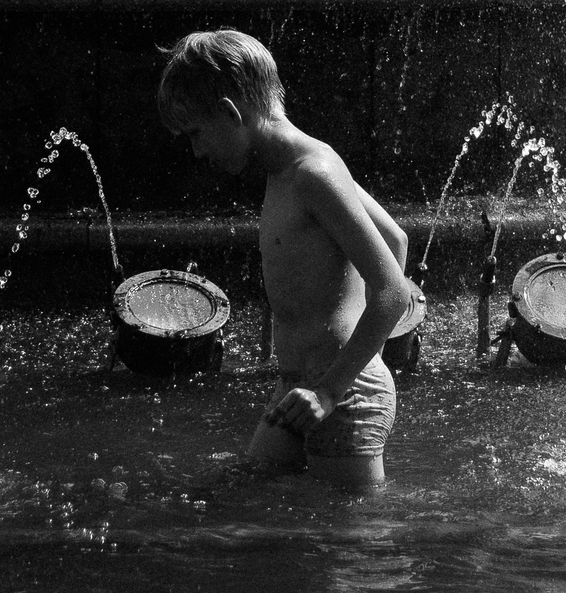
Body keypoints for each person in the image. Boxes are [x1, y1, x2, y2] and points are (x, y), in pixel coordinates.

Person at [156, 28, 418, 488]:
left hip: (341, 393)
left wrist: (334, 386)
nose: (197, 151)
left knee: (351, 544)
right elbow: (394, 239)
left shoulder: (313, 173)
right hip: (301, 386)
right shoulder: (292, 170)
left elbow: (394, 289)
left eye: (196, 134)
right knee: (246, 493)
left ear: (229, 112)